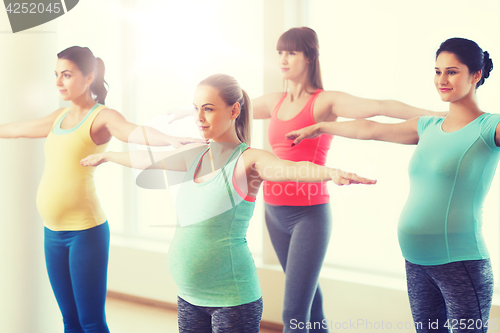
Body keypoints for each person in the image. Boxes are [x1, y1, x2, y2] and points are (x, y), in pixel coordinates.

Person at [80, 73, 376, 333]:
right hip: (189, 297)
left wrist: (330, 173)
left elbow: (290, 169)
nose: (199, 118)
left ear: (234, 110)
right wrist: (107, 156)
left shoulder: (248, 160)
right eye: (197, 108)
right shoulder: (194, 152)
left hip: (232, 302)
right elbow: (146, 160)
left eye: (208, 109)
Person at [286, 37, 497, 333]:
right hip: (415, 260)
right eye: (437, 71)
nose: (442, 80)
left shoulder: (489, 127)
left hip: (460, 263)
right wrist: (320, 126)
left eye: (452, 71)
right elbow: (371, 128)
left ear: (475, 75)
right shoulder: (427, 126)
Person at [247, 26, 445, 333]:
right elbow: (232, 108)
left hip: (308, 215)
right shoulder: (275, 101)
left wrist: (438, 115)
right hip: (273, 211)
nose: (283, 59)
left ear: (310, 56)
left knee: (294, 310)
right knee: (309, 302)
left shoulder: (324, 102)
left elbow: (382, 107)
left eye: (292, 52)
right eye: (280, 53)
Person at [0, 46, 201, 333]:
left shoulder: (101, 117)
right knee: (69, 320)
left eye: (66, 75)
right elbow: (18, 128)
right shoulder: (58, 117)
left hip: (85, 233)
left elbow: (134, 131)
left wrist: (169, 139)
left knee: (91, 322)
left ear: (88, 77)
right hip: (52, 233)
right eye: (56, 74)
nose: (58, 82)